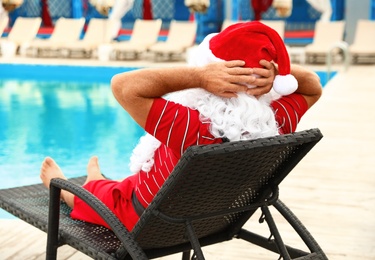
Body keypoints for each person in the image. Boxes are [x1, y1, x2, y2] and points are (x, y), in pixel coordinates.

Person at [40, 21, 322, 231]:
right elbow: (313, 86)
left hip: (151, 216)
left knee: (99, 197)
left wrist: (199, 77)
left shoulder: (192, 127)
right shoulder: (277, 120)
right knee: (117, 185)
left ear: (214, 68)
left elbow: (122, 85)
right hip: (214, 217)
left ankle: (67, 187)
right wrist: (275, 75)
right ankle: (96, 179)